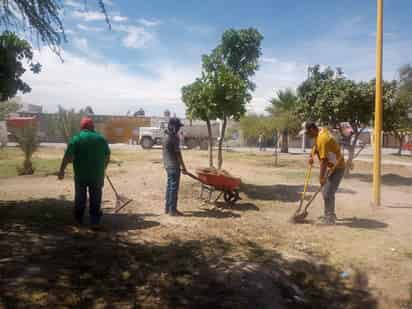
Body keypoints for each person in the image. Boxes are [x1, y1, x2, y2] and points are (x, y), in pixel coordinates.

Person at [58, 117, 110, 228]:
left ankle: (78, 221)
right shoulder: (101, 139)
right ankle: (94, 222)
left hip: (81, 175)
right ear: (92, 127)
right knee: (96, 199)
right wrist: (103, 168)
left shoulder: (77, 139)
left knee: (80, 199)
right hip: (97, 176)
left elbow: (67, 156)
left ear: (82, 127)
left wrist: (62, 170)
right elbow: (107, 156)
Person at [305, 121, 345, 225]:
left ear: (312, 130)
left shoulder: (322, 139)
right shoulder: (321, 132)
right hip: (332, 166)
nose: (307, 136)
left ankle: (330, 218)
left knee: (328, 193)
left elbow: (324, 161)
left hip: (337, 167)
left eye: (308, 133)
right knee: (326, 192)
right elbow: (316, 145)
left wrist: (321, 178)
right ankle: (329, 214)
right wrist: (312, 155)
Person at [163, 117, 188, 216]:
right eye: (178, 127)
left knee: (169, 187)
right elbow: (178, 154)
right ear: (173, 126)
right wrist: (183, 167)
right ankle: (172, 210)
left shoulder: (165, 136)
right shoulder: (174, 138)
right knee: (173, 188)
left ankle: (167, 208)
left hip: (167, 165)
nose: (178, 129)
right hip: (174, 166)